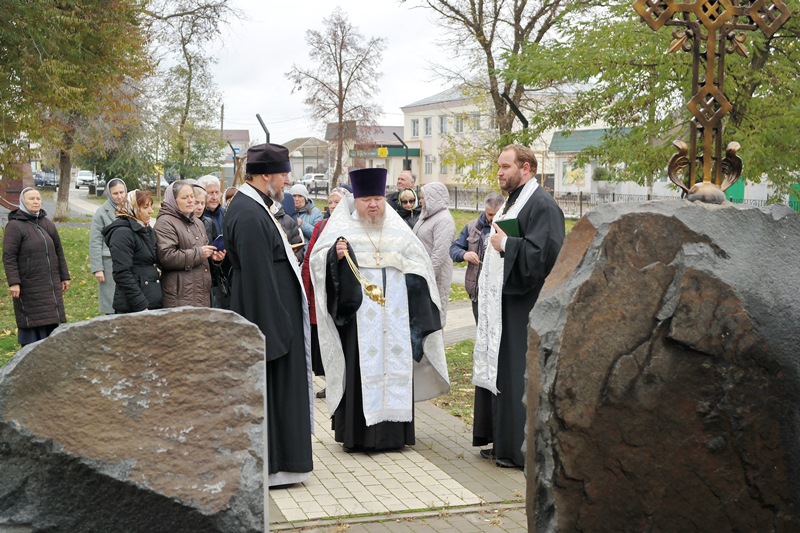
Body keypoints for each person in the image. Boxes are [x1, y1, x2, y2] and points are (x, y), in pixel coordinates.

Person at [309, 168, 449, 454]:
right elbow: (316, 260)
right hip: (359, 320)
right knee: (361, 369)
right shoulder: (340, 230)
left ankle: (394, 436)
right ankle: (358, 436)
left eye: (377, 199)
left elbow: (421, 265)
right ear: (356, 202)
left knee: (395, 364)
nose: (373, 205)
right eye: (366, 200)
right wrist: (335, 258)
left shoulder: (399, 230)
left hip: (395, 319)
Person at [222, 142, 314, 488]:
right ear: (264, 175)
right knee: (273, 395)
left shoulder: (258, 206)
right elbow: (259, 279)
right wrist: (276, 334)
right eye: (283, 174)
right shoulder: (247, 213)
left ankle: (286, 464)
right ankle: (276, 465)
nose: (288, 180)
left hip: (278, 318)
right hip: (271, 324)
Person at [472, 144, 565, 469]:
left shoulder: (542, 204)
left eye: (506, 166)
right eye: (499, 166)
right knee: (502, 372)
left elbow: (546, 255)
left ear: (526, 167)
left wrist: (507, 244)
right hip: (504, 305)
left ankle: (519, 449)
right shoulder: (513, 202)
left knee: (517, 374)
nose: (500, 172)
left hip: (526, 305)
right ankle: (502, 442)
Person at [3, 187, 70, 346]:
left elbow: (58, 251)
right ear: (22, 202)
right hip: (29, 285)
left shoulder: (47, 223)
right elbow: (9, 256)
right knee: (32, 324)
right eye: (31, 199)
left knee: (50, 324)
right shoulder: (15, 226)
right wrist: (14, 282)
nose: (35, 201)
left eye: (38, 199)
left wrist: (64, 276)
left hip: (50, 284)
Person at [301, 187, 349, 400]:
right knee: (326, 340)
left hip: (344, 294)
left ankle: (346, 384)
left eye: (337, 203)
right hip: (322, 292)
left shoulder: (352, 227)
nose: (332, 206)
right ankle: (332, 383)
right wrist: (305, 287)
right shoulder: (321, 226)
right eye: (330, 203)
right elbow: (308, 257)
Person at [154, 180, 225, 308]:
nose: (190, 200)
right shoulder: (165, 222)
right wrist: (200, 253)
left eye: (192, 196)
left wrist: (213, 258)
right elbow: (167, 257)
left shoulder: (197, 222)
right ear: (173, 200)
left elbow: (203, 255)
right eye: (185, 197)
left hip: (201, 293)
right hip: (180, 295)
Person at [102, 189, 162, 313]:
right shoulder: (122, 233)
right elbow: (122, 273)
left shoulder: (146, 229)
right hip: (134, 307)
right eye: (145, 207)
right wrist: (141, 304)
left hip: (150, 300)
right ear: (133, 207)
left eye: (151, 206)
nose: (151, 211)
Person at [449, 192, 504, 322]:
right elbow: (453, 249)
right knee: (480, 330)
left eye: (496, 215)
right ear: (485, 210)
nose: (492, 218)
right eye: (490, 214)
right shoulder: (472, 227)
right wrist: (465, 254)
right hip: (477, 292)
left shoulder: (508, 228)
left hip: (499, 292)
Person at [413, 182, 456, 326]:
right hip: (422, 274)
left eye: (423, 197)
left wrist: (427, 277)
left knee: (434, 318)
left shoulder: (444, 220)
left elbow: (439, 253)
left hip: (435, 278)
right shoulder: (426, 216)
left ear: (433, 198)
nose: (420, 201)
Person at [90, 178, 127, 314]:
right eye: (115, 193)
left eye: (122, 192)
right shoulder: (101, 213)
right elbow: (95, 241)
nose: (119, 196)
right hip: (109, 263)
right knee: (111, 303)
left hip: (128, 261)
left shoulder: (131, 209)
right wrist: (98, 268)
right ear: (109, 194)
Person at [197, 175, 224, 239]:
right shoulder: (197, 216)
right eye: (210, 193)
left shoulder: (226, 214)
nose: (214, 197)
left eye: (217, 193)